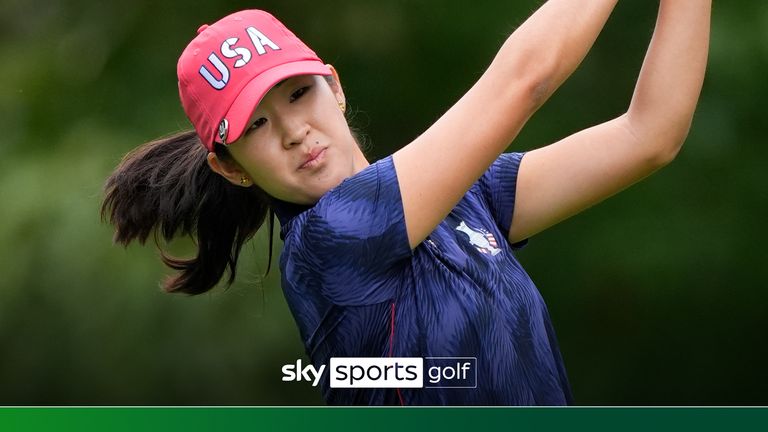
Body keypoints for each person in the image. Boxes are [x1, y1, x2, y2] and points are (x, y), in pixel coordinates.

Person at [102, 0, 711, 405]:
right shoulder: (327, 246)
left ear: (334, 87)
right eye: (256, 125)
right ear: (230, 168)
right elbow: (527, 79)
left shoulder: (466, 202)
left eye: (297, 93)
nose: (293, 130)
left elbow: (649, 137)